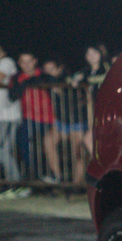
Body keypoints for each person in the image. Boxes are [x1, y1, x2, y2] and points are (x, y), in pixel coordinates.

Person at [11, 52, 60, 183]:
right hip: (29, 118)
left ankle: (54, 177)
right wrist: (26, 83)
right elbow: (13, 96)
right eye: (23, 62)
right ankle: (36, 175)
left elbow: (56, 84)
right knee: (23, 143)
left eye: (29, 61)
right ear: (19, 63)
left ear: (35, 61)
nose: (27, 64)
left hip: (48, 119)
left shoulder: (44, 75)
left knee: (47, 146)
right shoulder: (17, 77)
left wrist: (31, 81)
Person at [71, 43, 111, 166]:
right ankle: (102, 167)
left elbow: (103, 78)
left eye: (94, 53)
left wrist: (84, 80)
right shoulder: (86, 70)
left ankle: (102, 167)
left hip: (107, 109)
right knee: (94, 141)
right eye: (88, 54)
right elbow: (73, 78)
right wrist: (75, 79)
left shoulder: (105, 67)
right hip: (92, 110)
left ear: (100, 54)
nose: (91, 56)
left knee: (89, 139)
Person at [0, 44, 22, 191]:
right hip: (2, 116)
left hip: (9, 116)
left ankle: (16, 183)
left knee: (3, 149)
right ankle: (11, 183)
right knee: (3, 150)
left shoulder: (6, 62)